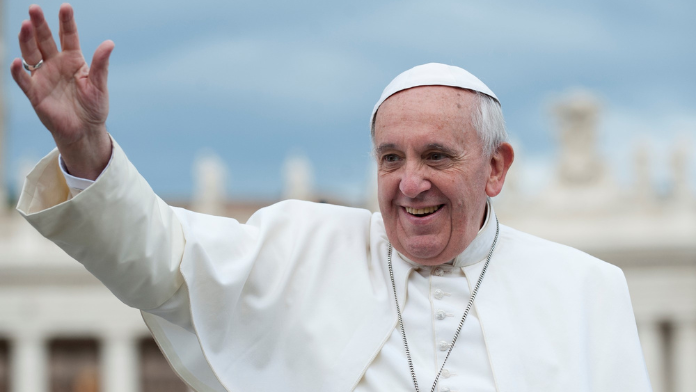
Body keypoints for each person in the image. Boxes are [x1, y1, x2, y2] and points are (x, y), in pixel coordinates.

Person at [12, 4, 652, 392]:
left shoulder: (586, 290)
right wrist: (86, 150)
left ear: (495, 168)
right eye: (390, 158)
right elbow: (163, 259)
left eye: (436, 156)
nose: (410, 183)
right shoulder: (301, 248)